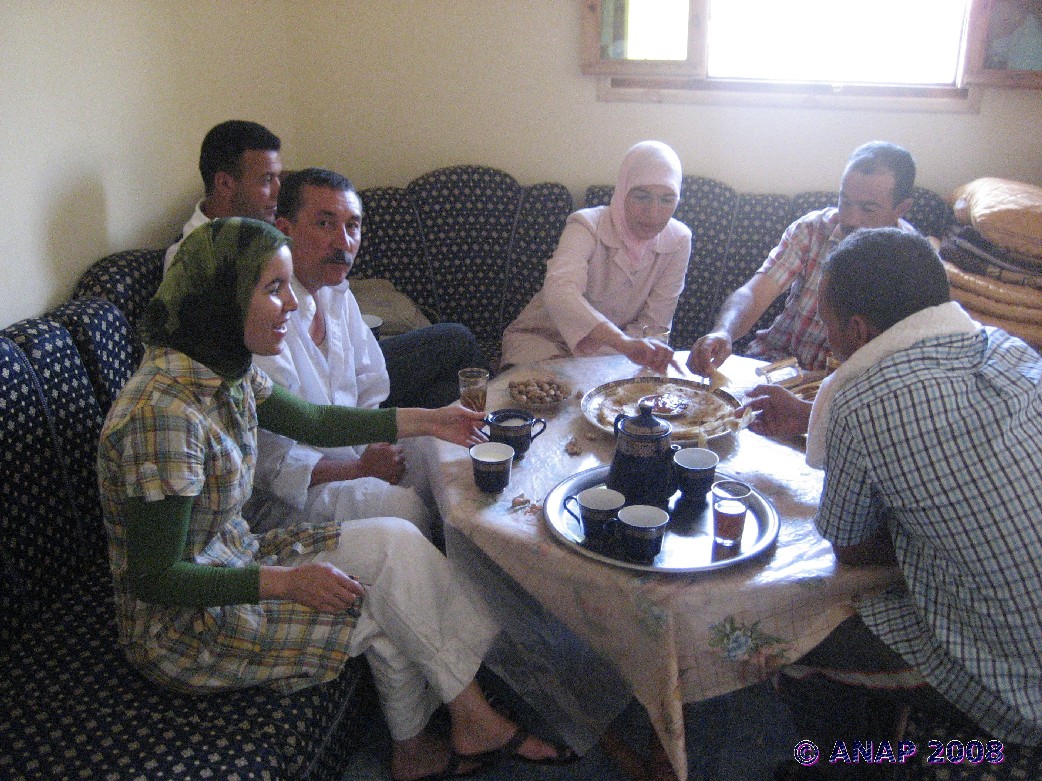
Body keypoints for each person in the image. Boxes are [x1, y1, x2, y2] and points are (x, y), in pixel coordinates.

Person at [98, 218, 576, 781]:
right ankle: (441, 734)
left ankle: (454, 724)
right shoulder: (164, 417)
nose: (293, 306)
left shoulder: (224, 368)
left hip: (235, 553)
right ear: (221, 298)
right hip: (185, 626)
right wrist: (287, 581)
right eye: (273, 289)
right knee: (376, 598)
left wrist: (434, 421)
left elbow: (317, 420)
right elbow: (157, 578)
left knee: (396, 542)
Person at [773, 228, 1042, 778]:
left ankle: (851, 763)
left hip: (1015, 683)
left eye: (826, 322)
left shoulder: (861, 399)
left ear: (858, 329)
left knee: (793, 634)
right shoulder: (1013, 351)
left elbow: (851, 550)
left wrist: (926, 538)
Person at [247, 168, 462, 538]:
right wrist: (359, 469)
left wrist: (375, 450)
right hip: (286, 499)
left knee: (445, 452)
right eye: (325, 224)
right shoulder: (266, 316)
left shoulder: (337, 294)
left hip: (353, 457)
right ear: (285, 229)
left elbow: (369, 386)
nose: (343, 242)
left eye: (353, 226)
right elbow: (269, 463)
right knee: (402, 506)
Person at [687, 141, 917, 376]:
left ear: (902, 208)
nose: (850, 218)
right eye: (845, 201)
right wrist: (723, 331)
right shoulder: (812, 229)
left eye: (868, 209)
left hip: (844, 385)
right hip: (775, 365)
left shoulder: (914, 262)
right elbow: (755, 293)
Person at [500, 140, 691, 373]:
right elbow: (560, 291)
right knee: (551, 399)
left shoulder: (679, 240)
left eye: (667, 199)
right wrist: (623, 343)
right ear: (622, 192)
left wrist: (635, 350)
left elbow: (654, 326)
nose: (653, 213)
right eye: (641, 196)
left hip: (612, 355)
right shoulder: (586, 224)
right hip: (542, 340)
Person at [163, 119, 283, 271]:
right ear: (224, 183)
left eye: (278, 178)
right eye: (267, 179)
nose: (278, 191)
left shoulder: (267, 230)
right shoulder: (189, 259)